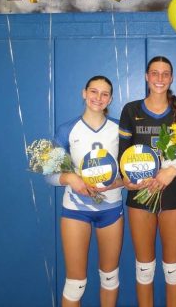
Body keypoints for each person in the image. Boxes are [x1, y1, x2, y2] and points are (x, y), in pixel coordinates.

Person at [118, 56, 176, 307]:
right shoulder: (131, 110)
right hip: (140, 195)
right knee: (144, 267)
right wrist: (128, 179)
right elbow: (123, 154)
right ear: (146, 77)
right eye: (155, 73)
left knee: (173, 268)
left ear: (171, 78)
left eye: (165, 74)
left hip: (173, 195)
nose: (160, 78)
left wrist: (171, 172)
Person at [45, 76, 124, 307]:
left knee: (110, 278)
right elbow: (49, 174)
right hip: (75, 211)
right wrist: (70, 178)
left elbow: (131, 176)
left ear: (110, 98)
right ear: (84, 93)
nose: (98, 98)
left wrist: (115, 183)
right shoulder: (67, 129)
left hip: (111, 210)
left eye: (104, 93)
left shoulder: (120, 129)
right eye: (93, 91)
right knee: (75, 283)